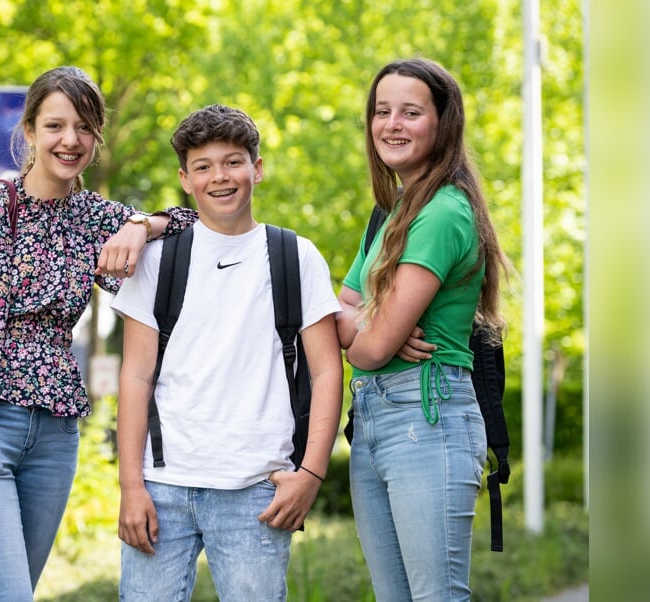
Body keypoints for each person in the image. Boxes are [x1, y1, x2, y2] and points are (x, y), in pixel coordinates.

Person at [0, 66, 197, 601]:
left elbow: (193, 222)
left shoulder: (98, 217)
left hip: (56, 433)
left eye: (84, 127)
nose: (69, 140)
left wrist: (142, 224)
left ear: (97, 137)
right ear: (29, 131)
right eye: (54, 125)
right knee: (7, 597)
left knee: (13, 589)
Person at [111, 104, 344, 601]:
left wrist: (310, 475)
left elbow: (327, 372)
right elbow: (135, 377)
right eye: (203, 166)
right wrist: (131, 485)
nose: (220, 176)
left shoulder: (295, 256)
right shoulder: (157, 260)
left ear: (257, 168)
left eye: (233, 161)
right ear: (185, 180)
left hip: (258, 489)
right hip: (161, 489)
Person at [336, 58, 511, 601]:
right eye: (382, 111)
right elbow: (341, 308)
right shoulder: (387, 214)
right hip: (372, 419)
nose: (392, 124)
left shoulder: (442, 213)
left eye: (411, 112)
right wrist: (369, 319)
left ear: (443, 124)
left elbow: (370, 348)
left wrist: (371, 325)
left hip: (426, 417)